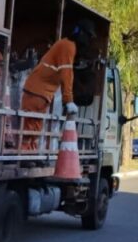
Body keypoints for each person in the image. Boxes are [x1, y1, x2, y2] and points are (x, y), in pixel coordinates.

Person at [20, 19, 96, 151]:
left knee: (34, 128)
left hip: (41, 93)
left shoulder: (66, 46)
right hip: (37, 92)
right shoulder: (68, 46)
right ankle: (24, 155)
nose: (88, 41)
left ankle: (29, 155)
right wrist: (69, 100)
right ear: (81, 33)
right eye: (88, 36)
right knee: (30, 128)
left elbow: (66, 72)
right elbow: (66, 73)